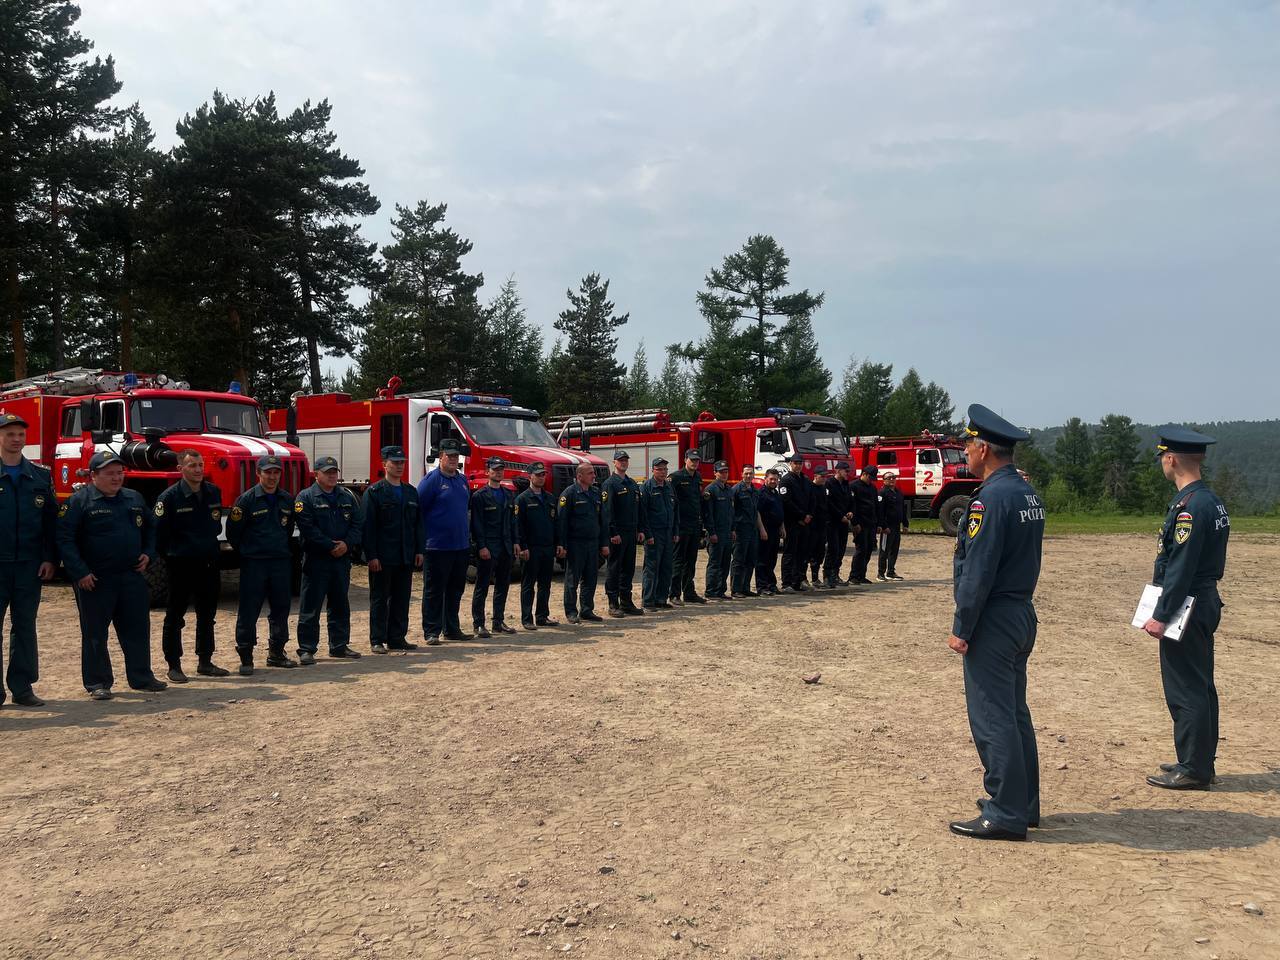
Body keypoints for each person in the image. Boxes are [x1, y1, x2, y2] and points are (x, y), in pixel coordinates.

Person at [947, 404, 1045, 841]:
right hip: (1021, 612)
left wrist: (962, 627)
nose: (965, 452)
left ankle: (1005, 810)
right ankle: (1023, 803)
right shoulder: (1026, 494)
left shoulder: (991, 498)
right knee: (1014, 712)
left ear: (983, 448)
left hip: (994, 617)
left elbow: (978, 570)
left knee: (992, 715)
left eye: (968, 444)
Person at [1142, 427, 1230, 791]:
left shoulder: (1190, 508)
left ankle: (1194, 768)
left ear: (1171, 459)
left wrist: (1161, 614)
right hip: (1204, 599)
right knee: (1201, 683)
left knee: (1186, 687)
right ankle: (1197, 758)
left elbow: (1181, 567)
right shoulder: (1210, 500)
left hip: (1188, 603)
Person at [58, 451, 167, 700]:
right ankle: (98, 682)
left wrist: (148, 554)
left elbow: (152, 529)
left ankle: (141, 677)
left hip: (131, 577)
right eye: (110, 473)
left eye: (119, 473)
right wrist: (79, 572)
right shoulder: (79, 502)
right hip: (95, 580)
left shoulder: (133, 498)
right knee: (96, 632)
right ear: (93, 475)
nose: (117, 478)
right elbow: (64, 540)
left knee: (137, 629)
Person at [154, 449, 228, 683]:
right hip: (180, 563)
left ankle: (205, 661)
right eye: (192, 465)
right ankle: (174, 665)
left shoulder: (213, 492)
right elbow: (159, 535)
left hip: (208, 562)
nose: (197, 470)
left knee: (207, 614)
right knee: (175, 615)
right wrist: (172, 557)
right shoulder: (169, 498)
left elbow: (216, 527)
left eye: (200, 465)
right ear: (180, 469)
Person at [0, 412, 57, 708]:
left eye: (20, 434)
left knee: (24, 626)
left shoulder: (39, 476)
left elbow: (50, 524)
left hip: (29, 566)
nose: (16, 439)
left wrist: (49, 558)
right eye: (10, 433)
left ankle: (22, 688)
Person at [228, 456, 298, 675]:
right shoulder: (246, 501)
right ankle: (246, 656)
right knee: (249, 610)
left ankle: (276, 652)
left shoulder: (286, 499)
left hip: (279, 563)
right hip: (255, 564)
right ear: (258, 473)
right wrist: (250, 552)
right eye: (268, 472)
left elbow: (288, 531)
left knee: (280, 608)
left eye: (276, 472)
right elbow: (233, 534)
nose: (272, 476)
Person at [294, 456, 363, 663]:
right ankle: (307, 649)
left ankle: (339, 645)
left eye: (334, 472)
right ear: (317, 474)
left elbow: (358, 525)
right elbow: (307, 529)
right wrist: (330, 546)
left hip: (341, 560)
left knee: (340, 603)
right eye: (327, 472)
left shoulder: (347, 497)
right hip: (317, 560)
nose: (332, 476)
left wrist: (346, 545)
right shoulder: (305, 498)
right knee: (311, 606)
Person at [362, 445, 423, 654]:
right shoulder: (375, 492)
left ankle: (397, 637)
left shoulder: (410, 492)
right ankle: (377, 639)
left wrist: (419, 550)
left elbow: (417, 525)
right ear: (384, 464)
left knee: (401, 598)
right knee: (380, 598)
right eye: (395, 462)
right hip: (383, 556)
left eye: (402, 462)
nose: (399, 466)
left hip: (405, 555)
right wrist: (371, 555)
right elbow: (368, 527)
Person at [418, 438, 472, 645]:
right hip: (437, 547)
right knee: (434, 591)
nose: (452, 459)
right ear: (440, 456)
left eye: (455, 456)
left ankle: (451, 628)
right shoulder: (431, 480)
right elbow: (419, 509)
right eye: (449, 455)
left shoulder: (462, 480)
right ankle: (432, 631)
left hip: (460, 546)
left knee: (455, 590)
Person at [470, 456, 517, 638]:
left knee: (503, 585)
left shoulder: (508, 495)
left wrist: (515, 543)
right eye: (495, 469)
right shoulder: (479, 496)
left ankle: (498, 621)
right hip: (489, 547)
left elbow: (512, 522)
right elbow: (477, 524)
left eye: (501, 469)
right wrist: (481, 546)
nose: (498, 472)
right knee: (482, 585)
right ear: (487, 471)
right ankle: (479, 623)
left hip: (505, 546)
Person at [557, 461, 609, 623]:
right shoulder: (570, 494)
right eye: (590, 473)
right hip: (575, 543)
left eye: (593, 473)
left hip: (592, 543)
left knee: (590, 578)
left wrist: (604, 543)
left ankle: (587, 609)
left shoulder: (596, 493)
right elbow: (562, 522)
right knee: (573, 579)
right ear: (579, 476)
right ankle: (571, 611)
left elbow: (602, 520)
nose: (594, 476)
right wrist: (562, 545)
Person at [514, 462, 558, 629]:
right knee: (528, 584)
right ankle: (526, 618)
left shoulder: (550, 498)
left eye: (543, 474)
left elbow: (556, 523)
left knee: (545, 584)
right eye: (538, 474)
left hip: (547, 548)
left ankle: (542, 616)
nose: (541, 477)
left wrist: (558, 543)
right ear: (530, 476)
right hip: (531, 549)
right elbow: (519, 526)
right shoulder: (522, 499)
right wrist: (522, 546)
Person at [602, 450, 644, 617]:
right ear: (614, 462)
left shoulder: (632, 484)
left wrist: (640, 529)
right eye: (620, 460)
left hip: (630, 533)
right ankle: (613, 603)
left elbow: (638, 509)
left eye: (625, 460)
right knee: (614, 568)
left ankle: (626, 602)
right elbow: (607, 511)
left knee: (628, 568)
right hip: (617, 534)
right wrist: (613, 532)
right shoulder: (610, 484)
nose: (623, 462)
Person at [669, 450, 706, 605]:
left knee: (691, 561)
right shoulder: (676, 477)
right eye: (692, 460)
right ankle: (674, 594)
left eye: (697, 460)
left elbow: (698, 500)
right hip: (681, 526)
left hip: (694, 525)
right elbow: (671, 502)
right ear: (685, 460)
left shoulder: (697, 477)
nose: (695, 463)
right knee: (678, 561)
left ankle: (689, 593)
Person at [639, 457, 676, 612]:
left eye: (665, 469)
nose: (662, 472)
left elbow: (675, 510)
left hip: (668, 533)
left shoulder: (669, 487)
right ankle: (648, 601)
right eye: (659, 469)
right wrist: (648, 534)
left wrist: (676, 531)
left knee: (666, 567)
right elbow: (643, 513)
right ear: (652, 470)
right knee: (651, 568)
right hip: (654, 533)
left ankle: (661, 599)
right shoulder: (647, 487)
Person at [729, 465, 766, 598]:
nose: (748, 476)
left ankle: (745, 588)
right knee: (739, 560)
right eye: (746, 473)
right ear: (741, 474)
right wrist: (732, 529)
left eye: (751, 474)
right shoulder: (736, 490)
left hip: (752, 530)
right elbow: (731, 511)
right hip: (740, 530)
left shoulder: (754, 491)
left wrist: (761, 529)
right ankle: (736, 589)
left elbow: (756, 512)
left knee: (751, 560)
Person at [778, 455, 812, 593]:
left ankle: (798, 581)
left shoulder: (805, 479)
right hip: (792, 521)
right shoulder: (786, 480)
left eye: (800, 463)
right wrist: (801, 516)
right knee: (790, 553)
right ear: (791, 464)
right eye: (795, 463)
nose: (798, 465)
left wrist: (809, 515)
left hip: (805, 522)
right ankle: (787, 583)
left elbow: (811, 499)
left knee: (802, 553)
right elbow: (786, 501)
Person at [702, 460, 734, 600]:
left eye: (726, 472)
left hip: (727, 532)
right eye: (721, 472)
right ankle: (711, 591)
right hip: (716, 533)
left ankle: (721, 590)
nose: (724, 474)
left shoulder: (728, 490)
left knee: (725, 563)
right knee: (715, 563)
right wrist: (711, 532)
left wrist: (732, 529)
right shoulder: (710, 490)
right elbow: (707, 514)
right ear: (715, 473)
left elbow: (731, 512)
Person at [823, 462, 854, 588]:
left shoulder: (846, 485)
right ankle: (827, 575)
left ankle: (835, 574)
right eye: (846, 471)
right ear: (838, 471)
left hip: (844, 522)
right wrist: (840, 516)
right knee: (833, 548)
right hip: (833, 521)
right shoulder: (829, 483)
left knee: (841, 549)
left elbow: (851, 501)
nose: (848, 473)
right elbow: (829, 503)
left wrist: (851, 512)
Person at [754, 468, 784, 596]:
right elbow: (757, 512)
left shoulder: (775, 493)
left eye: (776, 479)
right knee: (763, 559)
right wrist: (762, 529)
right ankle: (762, 586)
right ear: (765, 479)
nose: (773, 481)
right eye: (771, 479)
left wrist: (782, 527)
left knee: (772, 559)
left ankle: (771, 584)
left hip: (775, 530)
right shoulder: (761, 494)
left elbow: (780, 512)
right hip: (765, 530)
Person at [849, 465, 879, 585]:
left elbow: (875, 505)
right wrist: (855, 523)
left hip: (871, 523)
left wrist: (878, 522)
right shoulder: (854, 486)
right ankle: (854, 575)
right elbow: (852, 506)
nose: (871, 480)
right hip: (860, 523)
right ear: (864, 474)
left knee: (868, 550)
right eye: (870, 477)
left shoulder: (872, 487)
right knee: (861, 550)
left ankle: (862, 575)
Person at [876, 472, 908, 582]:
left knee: (894, 549)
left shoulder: (898, 492)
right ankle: (880, 573)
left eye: (893, 477)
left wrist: (905, 523)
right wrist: (883, 526)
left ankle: (891, 571)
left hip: (896, 525)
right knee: (884, 550)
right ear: (883, 480)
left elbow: (902, 509)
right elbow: (880, 511)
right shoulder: (882, 493)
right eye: (889, 478)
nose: (892, 480)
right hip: (887, 526)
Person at [807, 466, 830, 589]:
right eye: (822, 476)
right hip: (812, 525)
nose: (824, 479)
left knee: (820, 552)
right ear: (815, 476)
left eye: (825, 476)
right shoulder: (810, 488)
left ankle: (815, 578)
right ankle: (804, 578)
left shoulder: (823, 488)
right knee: (809, 552)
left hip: (822, 525)